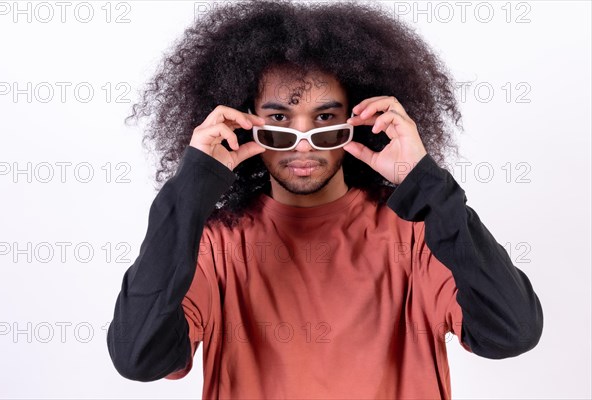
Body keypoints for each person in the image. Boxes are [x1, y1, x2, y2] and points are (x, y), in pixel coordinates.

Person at [107, 1, 543, 398]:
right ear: (245, 123)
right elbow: (138, 357)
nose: (303, 144)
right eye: (279, 120)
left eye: (325, 120)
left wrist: (426, 183)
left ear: (360, 121)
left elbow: (512, 331)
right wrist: (190, 189)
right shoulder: (216, 246)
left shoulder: (416, 233)